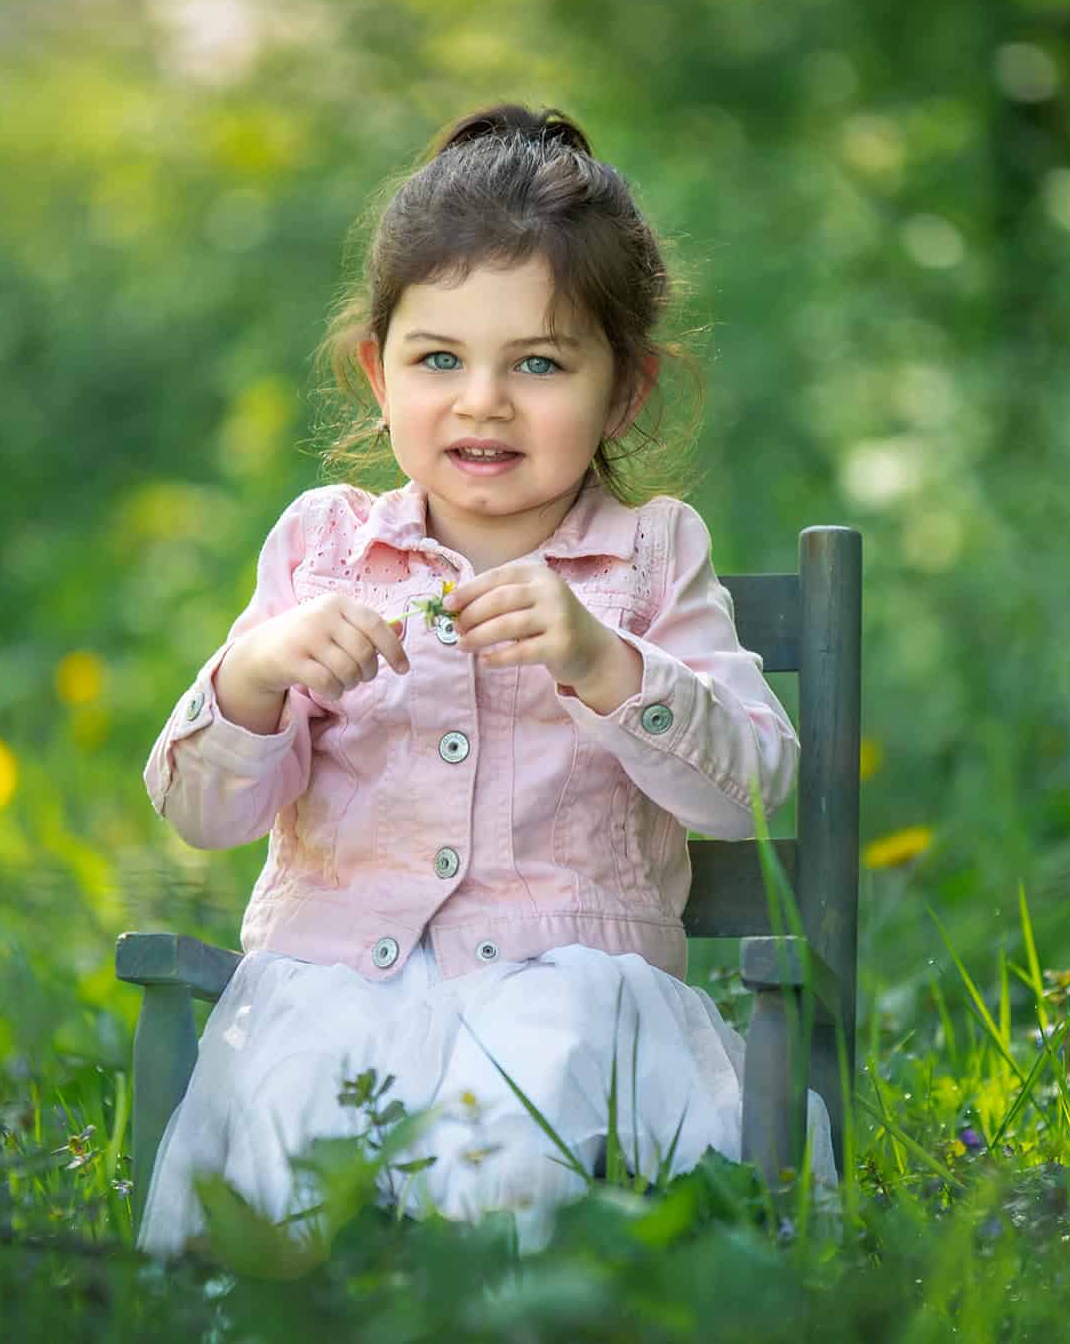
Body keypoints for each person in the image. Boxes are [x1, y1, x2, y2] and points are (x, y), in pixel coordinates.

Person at [136, 102, 834, 1260]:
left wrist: (605, 664)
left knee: (526, 1095)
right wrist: (254, 676)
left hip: (572, 990)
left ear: (623, 392)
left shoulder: (649, 555)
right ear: (377, 370)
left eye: (540, 363)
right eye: (438, 359)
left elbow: (749, 793)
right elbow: (199, 814)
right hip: (333, 984)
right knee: (297, 1122)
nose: (482, 401)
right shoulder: (323, 549)